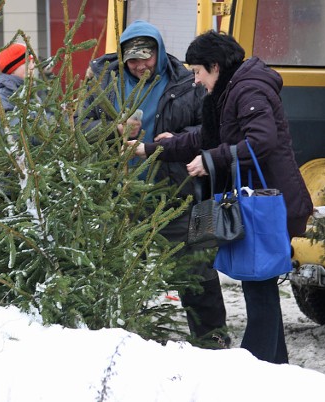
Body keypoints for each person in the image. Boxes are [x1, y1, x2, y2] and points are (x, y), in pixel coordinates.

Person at [129, 31, 313, 363]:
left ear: (215, 66)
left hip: (266, 203)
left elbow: (262, 141)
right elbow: (206, 137)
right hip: (256, 201)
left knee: (258, 286)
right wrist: (150, 149)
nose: (196, 80)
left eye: (198, 71)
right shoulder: (230, 89)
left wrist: (212, 159)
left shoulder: (248, 87)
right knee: (260, 285)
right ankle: (275, 365)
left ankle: (254, 363)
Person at [81, 20, 229, 347]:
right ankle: (116, 342)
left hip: (177, 195)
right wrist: (115, 131)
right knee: (118, 272)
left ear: (159, 52)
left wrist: (177, 140)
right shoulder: (104, 81)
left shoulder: (186, 81)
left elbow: (209, 129)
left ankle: (211, 340)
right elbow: (80, 128)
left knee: (196, 269)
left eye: (146, 58)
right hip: (117, 198)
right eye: (132, 60)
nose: (140, 66)